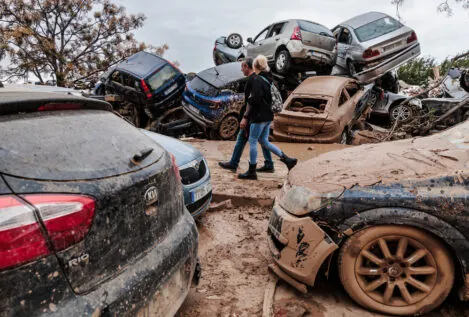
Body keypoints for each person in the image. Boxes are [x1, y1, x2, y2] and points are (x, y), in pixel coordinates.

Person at [238, 55, 297, 180]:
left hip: (259, 116)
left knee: (253, 141)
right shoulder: (268, 78)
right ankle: (287, 160)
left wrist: (246, 115)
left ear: (255, 66)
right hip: (268, 116)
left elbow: (255, 99)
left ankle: (252, 171)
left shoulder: (257, 80)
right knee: (264, 141)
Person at [218, 58, 275, 173]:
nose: (241, 69)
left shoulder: (253, 80)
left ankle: (237, 164)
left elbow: (252, 101)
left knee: (245, 139)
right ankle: (268, 163)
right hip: (262, 116)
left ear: (247, 67)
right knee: (262, 140)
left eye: (242, 66)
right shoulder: (262, 78)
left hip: (253, 117)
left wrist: (245, 117)